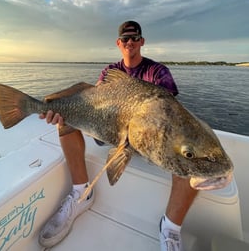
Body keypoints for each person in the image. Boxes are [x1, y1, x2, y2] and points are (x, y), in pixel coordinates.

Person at [38, 21, 198, 251]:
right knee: (66, 122)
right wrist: (60, 109)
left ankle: (170, 228)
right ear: (118, 43)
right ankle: (82, 190)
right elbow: (93, 99)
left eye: (135, 37)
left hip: (149, 141)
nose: (130, 42)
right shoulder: (109, 72)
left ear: (142, 41)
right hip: (110, 132)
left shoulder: (158, 72)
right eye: (125, 38)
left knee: (192, 158)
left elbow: (170, 112)